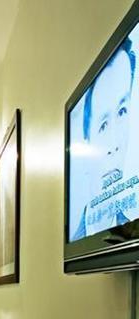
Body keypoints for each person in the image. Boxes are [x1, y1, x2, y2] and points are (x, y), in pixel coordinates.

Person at [74, 38, 137, 240]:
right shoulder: (77, 239)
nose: (114, 144)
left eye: (122, 111)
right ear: (86, 140)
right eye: (103, 125)